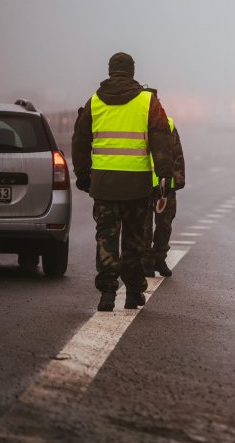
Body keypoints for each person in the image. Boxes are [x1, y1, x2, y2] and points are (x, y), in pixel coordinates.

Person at [72, 52, 173, 311]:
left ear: (110, 71)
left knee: (106, 236)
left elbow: (80, 141)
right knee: (134, 239)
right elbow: (161, 138)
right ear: (132, 71)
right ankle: (133, 292)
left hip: (104, 183)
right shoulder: (148, 101)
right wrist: (164, 174)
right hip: (137, 185)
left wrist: (83, 175)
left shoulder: (94, 102)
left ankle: (107, 292)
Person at [143, 89, 185, 278]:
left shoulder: (168, 123)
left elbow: (177, 153)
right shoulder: (136, 124)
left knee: (165, 224)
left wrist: (178, 178)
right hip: (142, 183)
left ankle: (159, 258)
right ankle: (146, 262)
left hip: (164, 184)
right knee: (143, 226)